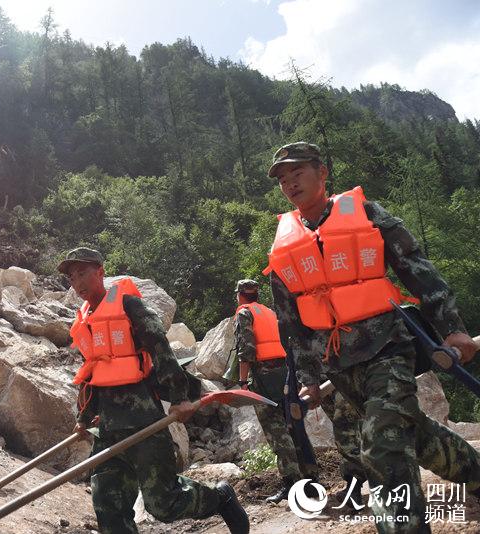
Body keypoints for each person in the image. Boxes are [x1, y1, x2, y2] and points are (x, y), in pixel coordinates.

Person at [264, 141, 480, 533]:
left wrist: (453, 327)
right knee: (414, 433)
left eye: (297, 173)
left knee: (381, 446)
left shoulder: (364, 214)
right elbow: (290, 321)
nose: (289, 183)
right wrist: (309, 377)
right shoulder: (285, 244)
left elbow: (416, 267)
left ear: (321, 173)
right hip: (341, 365)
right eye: (282, 179)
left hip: (388, 349)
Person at [60, 247, 249, 534]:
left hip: (144, 420)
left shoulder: (129, 306)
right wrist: (84, 417)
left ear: (100, 272)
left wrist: (180, 397)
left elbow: (161, 351)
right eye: (72, 277)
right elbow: (91, 372)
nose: (77, 283)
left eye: (83, 273)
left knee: (164, 504)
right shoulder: (85, 319)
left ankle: (220, 497)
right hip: (108, 427)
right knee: (108, 505)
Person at [232, 278, 318, 503]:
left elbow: (247, 349)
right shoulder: (269, 312)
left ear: (240, 295)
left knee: (276, 431)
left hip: (263, 376)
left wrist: (242, 382)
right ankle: (311, 480)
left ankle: (292, 484)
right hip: (285, 373)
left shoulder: (244, 313)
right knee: (294, 427)